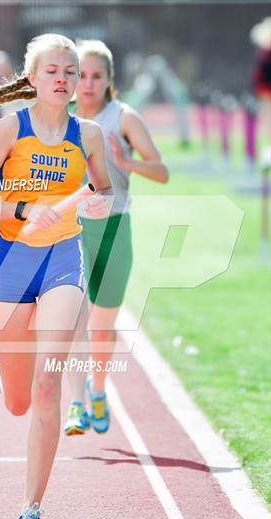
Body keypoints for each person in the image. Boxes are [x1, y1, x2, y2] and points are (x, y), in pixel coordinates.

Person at [0, 34, 111, 519]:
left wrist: (95, 205)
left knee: (49, 386)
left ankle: (31, 510)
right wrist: (21, 210)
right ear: (32, 77)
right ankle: (2, 359)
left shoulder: (87, 134)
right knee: (18, 402)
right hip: (11, 263)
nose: (63, 79)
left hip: (62, 260)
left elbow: (104, 194)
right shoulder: (10, 128)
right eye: (52, 71)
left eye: (70, 71)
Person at [63, 40, 169, 436]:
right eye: (80, 75)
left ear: (109, 81)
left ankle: (97, 389)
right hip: (71, 230)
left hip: (113, 227)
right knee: (75, 318)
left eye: (95, 76)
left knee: (102, 327)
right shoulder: (61, 118)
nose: (87, 84)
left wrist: (126, 162)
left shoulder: (123, 117)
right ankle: (75, 404)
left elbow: (162, 171)